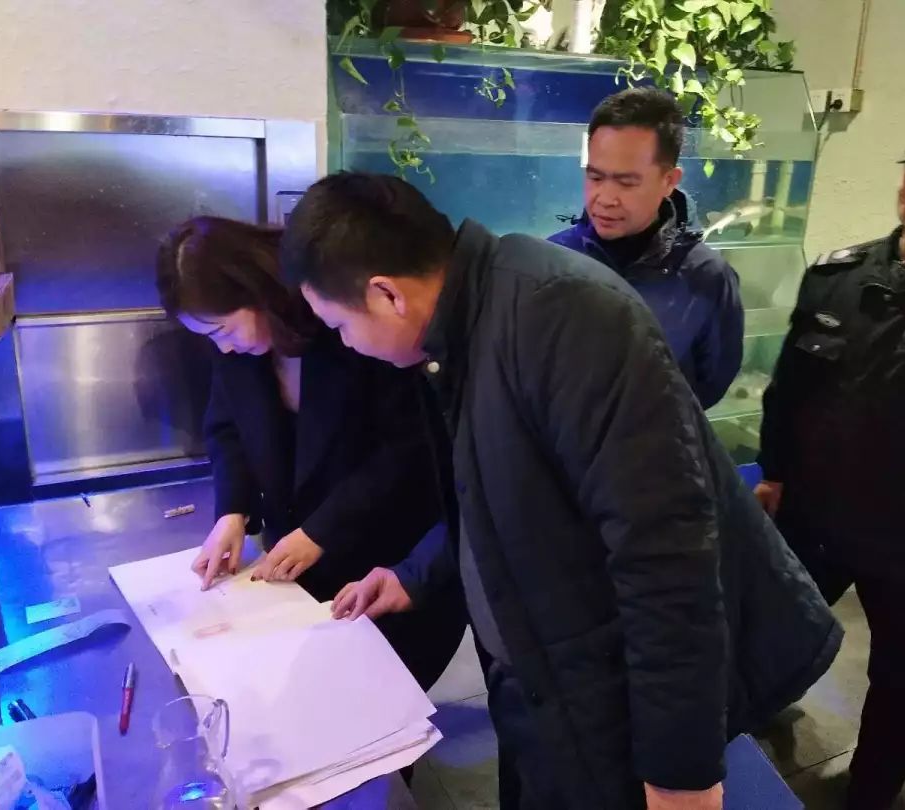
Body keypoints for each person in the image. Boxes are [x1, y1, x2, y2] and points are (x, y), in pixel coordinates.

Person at [279, 172, 842, 810]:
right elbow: (495, 492)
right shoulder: (463, 330)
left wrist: (681, 771)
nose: (347, 344)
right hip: (540, 680)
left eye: (339, 325)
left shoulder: (563, 315)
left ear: (387, 294)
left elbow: (668, 556)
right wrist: (416, 575)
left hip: (607, 692)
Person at [755, 114, 905, 810]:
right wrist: (774, 473)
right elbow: (788, 390)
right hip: (816, 519)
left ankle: (870, 796)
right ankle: (729, 748)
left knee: (903, 683)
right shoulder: (839, 276)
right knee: (763, 637)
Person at [154, 216, 466, 690]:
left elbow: (408, 450)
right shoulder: (236, 355)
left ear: (256, 291)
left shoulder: (349, 326)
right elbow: (226, 429)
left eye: (223, 329)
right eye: (211, 338)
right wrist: (233, 511)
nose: (224, 348)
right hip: (300, 565)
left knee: (378, 697)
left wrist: (321, 530)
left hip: (390, 553)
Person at [549, 87, 744, 408]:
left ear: (669, 181)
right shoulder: (553, 259)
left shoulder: (708, 277)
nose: (605, 198)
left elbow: (712, 381)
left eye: (626, 183)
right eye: (595, 178)